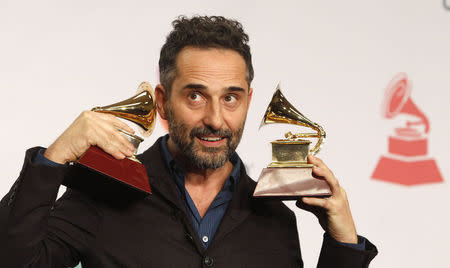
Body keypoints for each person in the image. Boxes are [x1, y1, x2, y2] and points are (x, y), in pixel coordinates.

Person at [0, 16, 377, 267]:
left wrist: (344, 241)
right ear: (163, 102)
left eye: (230, 97)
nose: (215, 119)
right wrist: (54, 159)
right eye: (195, 96)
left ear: (247, 99)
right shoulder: (102, 192)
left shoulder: (276, 218)